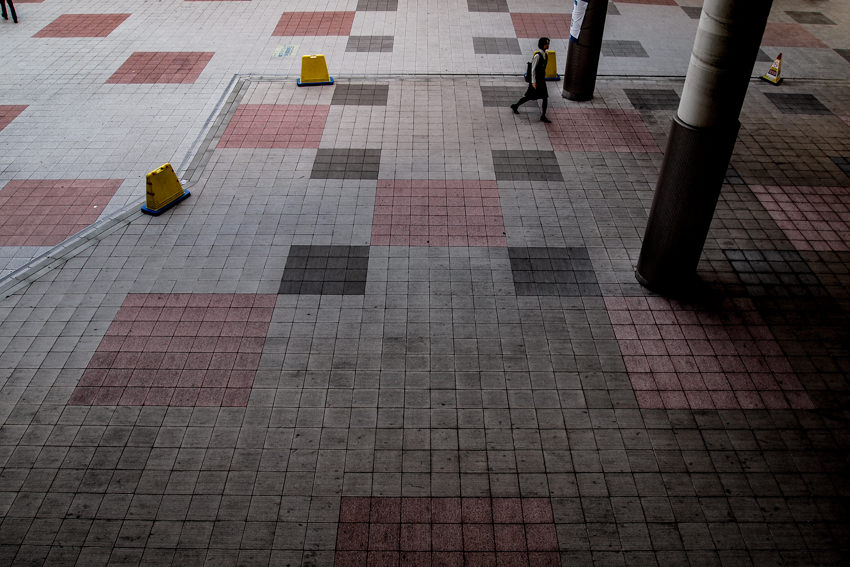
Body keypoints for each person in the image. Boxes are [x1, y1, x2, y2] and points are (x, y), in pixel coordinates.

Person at [511, 37, 551, 123]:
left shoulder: (546, 54)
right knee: (529, 96)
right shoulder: (538, 56)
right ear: (542, 44)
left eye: (548, 43)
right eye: (547, 43)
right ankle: (516, 106)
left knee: (545, 97)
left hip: (542, 80)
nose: (548, 45)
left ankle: (543, 116)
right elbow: (533, 69)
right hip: (536, 81)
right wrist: (533, 82)